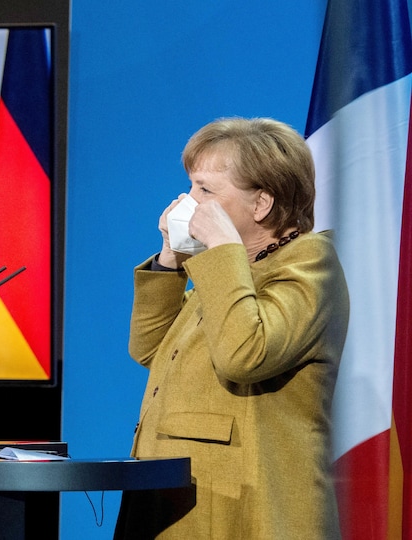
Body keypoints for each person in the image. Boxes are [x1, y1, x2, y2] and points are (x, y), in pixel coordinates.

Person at [114, 117, 350, 539]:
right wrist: (171, 259)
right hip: (174, 495)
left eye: (205, 190)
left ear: (261, 204)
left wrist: (220, 250)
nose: (188, 202)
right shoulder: (230, 268)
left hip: (243, 506)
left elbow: (246, 355)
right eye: (190, 186)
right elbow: (149, 349)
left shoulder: (311, 263)